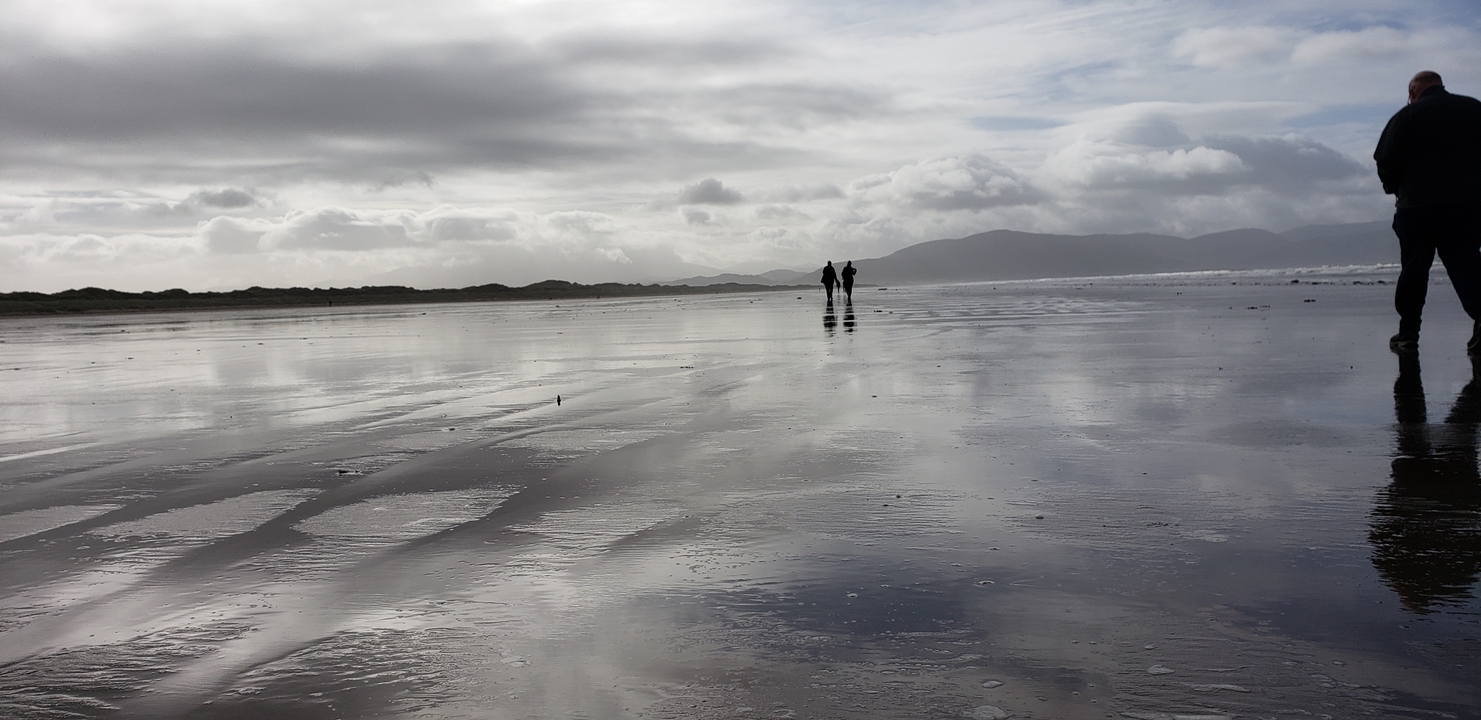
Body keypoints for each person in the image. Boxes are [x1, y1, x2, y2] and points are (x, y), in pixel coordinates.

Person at [1374, 70, 1481, 352]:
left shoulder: (1405, 118)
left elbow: (1384, 160)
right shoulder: (1473, 109)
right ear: (1440, 85)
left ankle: (1408, 333)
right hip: (1466, 204)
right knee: (1467, 264)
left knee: (1414, 269)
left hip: (1417, 206)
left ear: (1413, 91)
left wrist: (1394, 188)